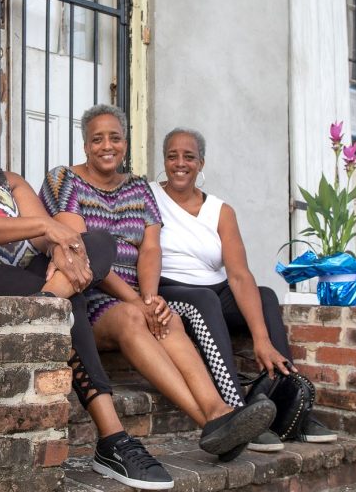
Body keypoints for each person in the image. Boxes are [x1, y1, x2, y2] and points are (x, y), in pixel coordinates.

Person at [0, 98, 174, 490]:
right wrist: (51, 234)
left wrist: (60, 246)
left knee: (96, 243)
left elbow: (48, 231)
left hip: (18, 279)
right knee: (70, 298)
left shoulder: (10, 180)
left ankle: (47, 307)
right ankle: (113, 438)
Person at [39, 104, 275, 464]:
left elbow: (150, 249)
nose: (107, 146)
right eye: (97, 139)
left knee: (168, 318)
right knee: (135, 318)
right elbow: (84, 254)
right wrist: (136, 302)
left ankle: (219, 411)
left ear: (125, 143)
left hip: (133, 294)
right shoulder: (64, 180)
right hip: (88, 293)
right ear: (85, 146)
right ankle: (210, 423)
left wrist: (149, 297)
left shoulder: (137, 188)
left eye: (115, 138)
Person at [150, 127, 338, 451]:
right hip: (171, 290)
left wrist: (261, 339)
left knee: (264, 295)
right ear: (164, 161)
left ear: (201, 163)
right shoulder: (148, 196)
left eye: (189, 156)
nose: (180, 163)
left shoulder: (221, 211)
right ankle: (238, 412)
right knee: (204, 300)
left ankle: (292, 405)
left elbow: (238, 275)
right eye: (172, 156)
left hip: (213, 287)